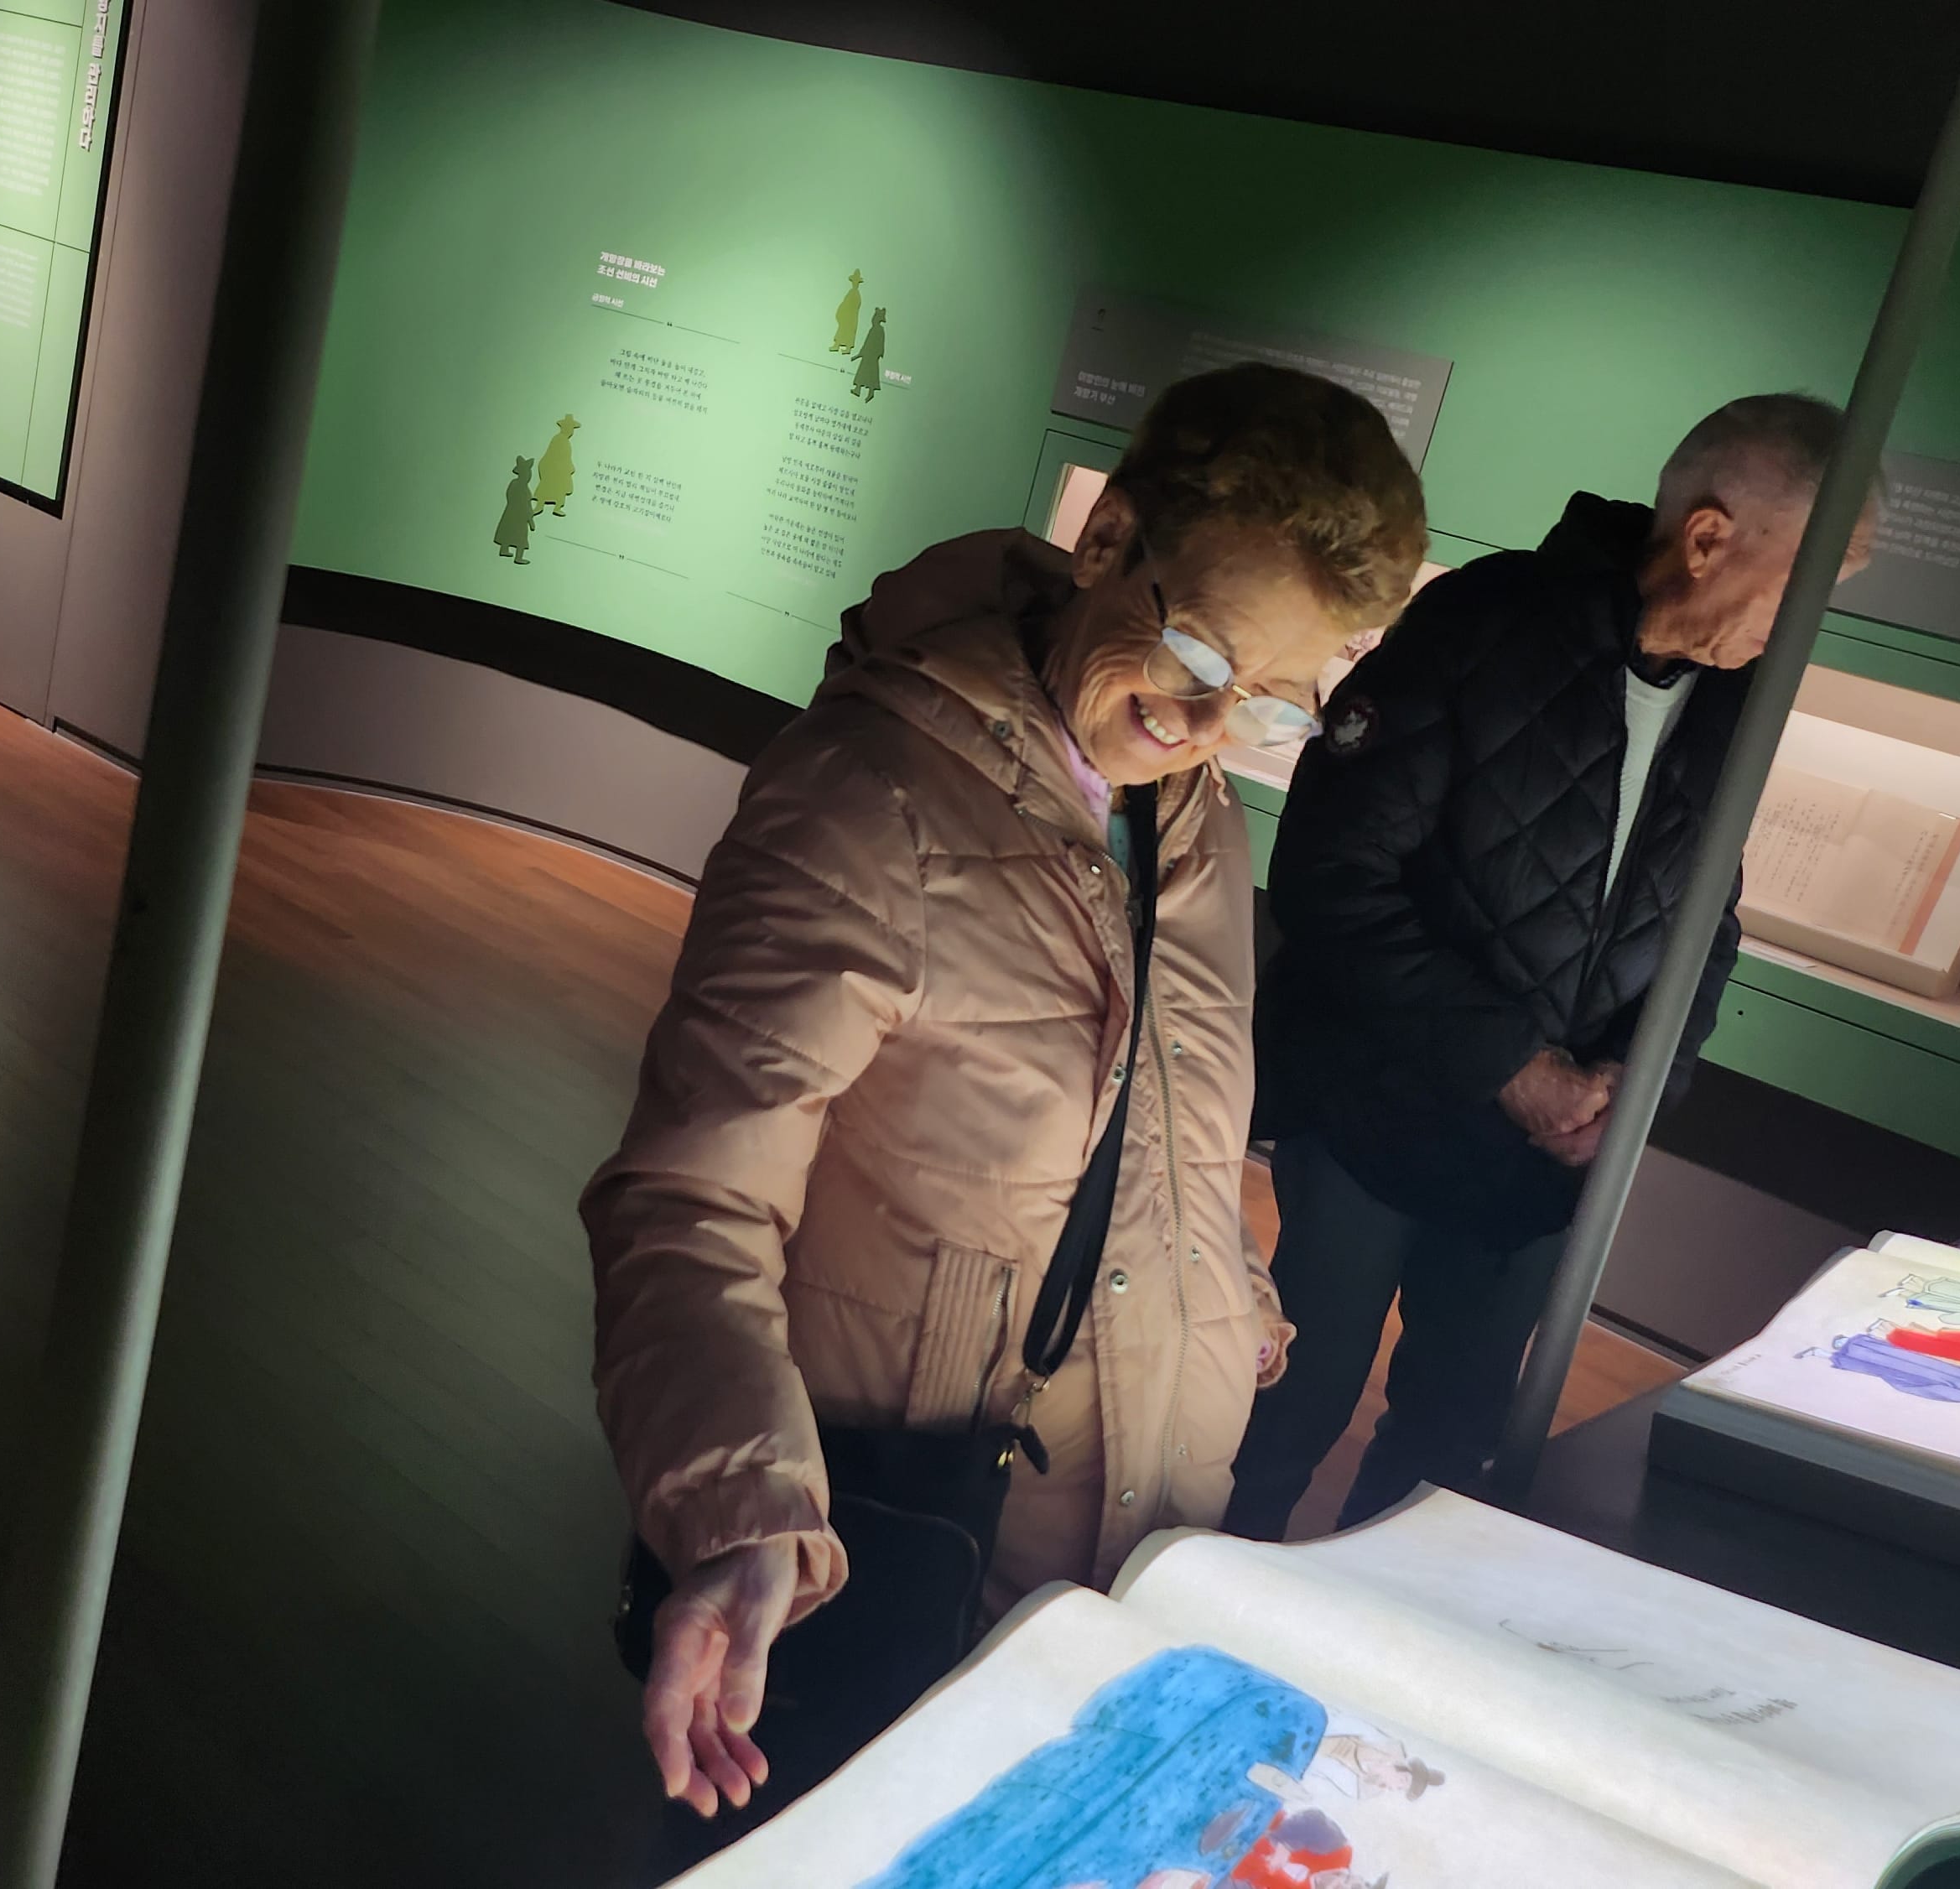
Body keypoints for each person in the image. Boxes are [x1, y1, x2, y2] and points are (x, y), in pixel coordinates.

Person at [586, 364, 1428, 1840]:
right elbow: (692, 1199)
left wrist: (1227, 1298)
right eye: (1197, 651)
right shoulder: (862, 799)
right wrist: (735, 1521)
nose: (1209, 724)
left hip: (1139, 1563)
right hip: (918, 1557)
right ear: (1105, 542)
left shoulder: (1199, 825)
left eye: (1278, 703)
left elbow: (1170, 1123)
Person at [1223, 393, 1876, 1542]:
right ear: (1709, 537)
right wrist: (1516, 1065)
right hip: (1377, 1110)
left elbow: (1707, 924)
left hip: (1540, 1166)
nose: (1812, 622)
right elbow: (1336, 878)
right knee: (1291, 1406)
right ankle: (1191, 1612)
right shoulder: (1480, 625)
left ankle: (1382, 1654)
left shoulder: (1739, 700)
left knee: (1450, 1444)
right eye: (1807, 581)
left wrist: (1637, 1086)